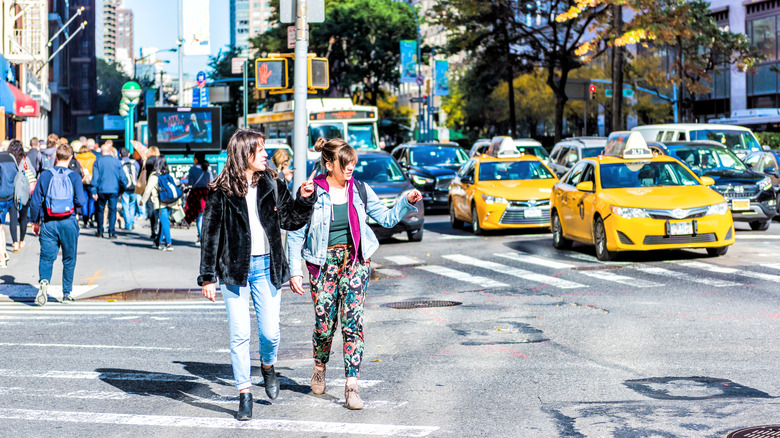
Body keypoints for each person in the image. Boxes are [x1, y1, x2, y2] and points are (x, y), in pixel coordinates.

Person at [287, 138, 422, 410]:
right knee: (324, 326)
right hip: (323, 263)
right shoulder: (313, 192)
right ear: (329, 164)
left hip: (355, 262)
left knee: (353, 323)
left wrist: (405, 201)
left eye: (352, 162)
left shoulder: (359, 189)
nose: (350, 167)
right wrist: (294, 271)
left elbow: (385, 218)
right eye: (344, 162)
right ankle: (319, 366)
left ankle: (351, 386)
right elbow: (295, 232)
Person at [198, 129, 315, 421]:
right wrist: (208, 276)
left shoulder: (273, 183)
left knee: (270, 333)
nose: (266, 154)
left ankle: (267, 365)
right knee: (239, 334)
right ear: (244, 154)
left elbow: (290, 220)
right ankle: (244, 393)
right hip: (234, 270)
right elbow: (210, 235)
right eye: (260, 149)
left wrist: (303, 199)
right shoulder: (220, 190)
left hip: (268, 267)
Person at [29, 143, 85, 305]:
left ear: (55, 157)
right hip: (68, 221)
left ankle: (44, 282)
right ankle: (66, 293)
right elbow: (80, 201)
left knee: (46, 257)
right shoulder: (74, 176)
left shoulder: (45, 175)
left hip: (49, 222)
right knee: (69, 258)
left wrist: (35, 221)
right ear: (71, 157)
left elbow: (35, 201)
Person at [140, 155, 179, 250]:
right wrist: (178, 203)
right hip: (170, 201)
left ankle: (169, 243)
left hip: (160, 202)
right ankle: (158, 241)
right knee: (163, 222)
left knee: (164, 222)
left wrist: (142, 201)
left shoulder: (154, 175)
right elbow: (174, 188)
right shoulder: (169, 174)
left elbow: (148, 190)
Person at [91, 142, 126, 239]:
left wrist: (94, 190)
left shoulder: (98, 161)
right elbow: (121, 177)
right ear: (110, 151)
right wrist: (122, 189)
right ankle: (111, 232)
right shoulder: (117, 162)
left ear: (101, 152)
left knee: (100, 210)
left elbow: (95, 178)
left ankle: (100, 231)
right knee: (113, 210)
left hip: (101, 189)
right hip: (114, 189)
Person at [7, 140, 36, 253]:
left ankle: (14, 244)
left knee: (13, 218)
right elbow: (32, 172)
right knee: (23, 218)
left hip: (13, 192)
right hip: (25, 192)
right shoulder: (25, 159)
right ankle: (22, 240)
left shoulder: (9, 159)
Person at [184, 151, 212, 245]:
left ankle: (201, 237)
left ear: (196, 159)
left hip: (196, 194)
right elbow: (211, 182)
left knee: (199, 216)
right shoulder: (207, 169)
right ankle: (204, 236)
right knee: (205, 216)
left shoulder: (193, 169)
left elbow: (191, 183)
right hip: (206, 194)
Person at [0, 142, 15, 268]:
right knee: (1, 227)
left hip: (0, 196)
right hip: (9, 196)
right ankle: (3, 252)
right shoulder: (11, 158)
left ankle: (2, 256)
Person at [75, 143, 97, 227]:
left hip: (81, 180)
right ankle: (90, 216)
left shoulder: (77, 158)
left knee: (84, 199)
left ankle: (84, 217)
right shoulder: (93, 157)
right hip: (91, 180)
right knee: (92, 199)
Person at [119, 147, 140, 230]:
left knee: (125, 206)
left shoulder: (119, 163)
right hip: (134, 187)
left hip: (125, 188)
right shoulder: (134, 163)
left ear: (120, 155)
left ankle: (128, 224)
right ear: (128, 154)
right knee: (132, 205)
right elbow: (138, 173)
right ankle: (131, 223)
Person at [143, 146, 161, 243]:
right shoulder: (160, 160)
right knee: (158, 207)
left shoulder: (148, 161)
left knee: (150, 207)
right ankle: (157, 226)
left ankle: (153, 229)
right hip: (159, 186)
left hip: (150, 185)